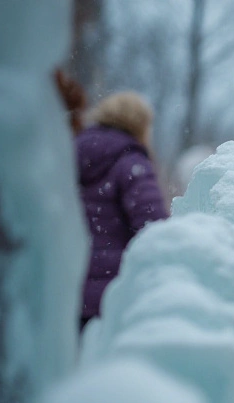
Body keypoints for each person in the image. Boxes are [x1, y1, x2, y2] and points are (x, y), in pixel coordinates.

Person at [76, 91, 168, 327]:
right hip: (111, 295)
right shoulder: (131, 162)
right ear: (140, 124)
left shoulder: (68, 153)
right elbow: (154, 228)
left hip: (65, 288)